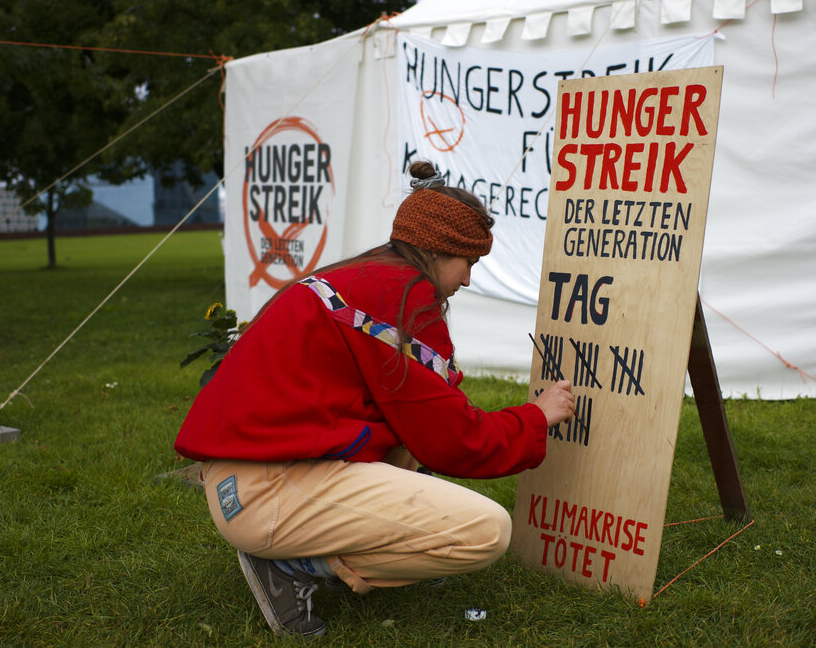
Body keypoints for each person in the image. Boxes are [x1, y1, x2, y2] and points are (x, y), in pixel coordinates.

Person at [174, 160, 575, 637]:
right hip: (265, 493)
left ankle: (301, 549)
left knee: (410, 451)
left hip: (248, 480)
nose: (467, 280)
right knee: (487, 531)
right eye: (468, 262)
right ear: (439, 249)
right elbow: (455, 439)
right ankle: (294, 567)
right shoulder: (399, 294)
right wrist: (535, 416)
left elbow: (427, 417)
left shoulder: (369, 276)